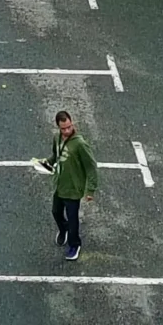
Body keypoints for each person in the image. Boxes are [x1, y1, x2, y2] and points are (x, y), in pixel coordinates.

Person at [38, 111, 98, 260]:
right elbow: (56, 155)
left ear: (72, 123)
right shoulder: (57, 138)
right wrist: (46, 162)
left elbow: (91, 166)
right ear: (58, 127)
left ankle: (74, 244)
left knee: (73, 219)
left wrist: (90, 190)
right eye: (63, 128)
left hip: (73, 188)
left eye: (69, 127)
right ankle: (63, 229)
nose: (67, 131)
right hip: (60, 184)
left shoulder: (80, 144)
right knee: (56, 212)